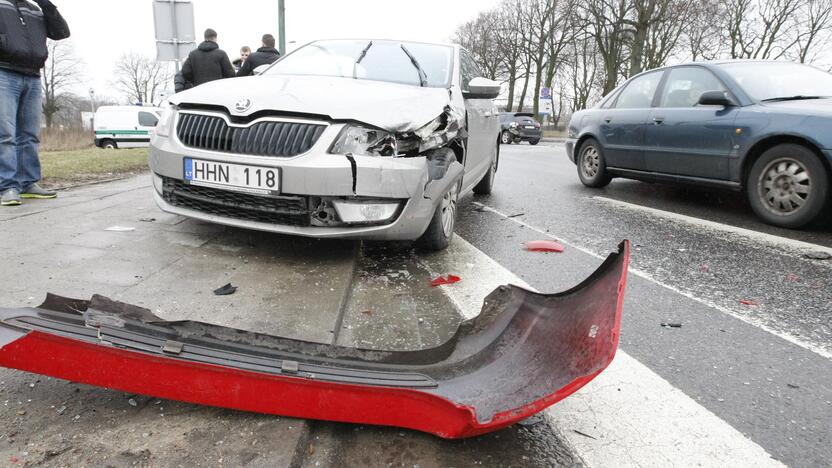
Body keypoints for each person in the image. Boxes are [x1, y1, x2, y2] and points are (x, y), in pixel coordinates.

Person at [0, 0, 70, 206]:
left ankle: (28, 183)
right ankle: (8, 187)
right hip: (4, 72)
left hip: (33, 76)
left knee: (30, 135)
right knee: (6, 134)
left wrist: (45, 4)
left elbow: (61, 32)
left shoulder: (35, 9)